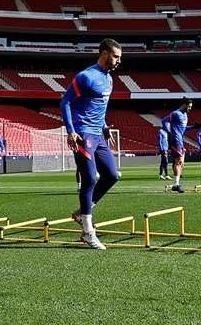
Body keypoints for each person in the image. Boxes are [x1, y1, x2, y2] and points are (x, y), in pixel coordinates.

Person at [62, 38, 123, 250]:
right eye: (116, 56)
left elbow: (98, 108)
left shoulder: (109, 79)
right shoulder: (86, 76)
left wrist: (105, 127)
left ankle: (82, 211)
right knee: (89, 178)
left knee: (112, 175)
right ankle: (88, 232)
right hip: (82, 133)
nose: (118, 61)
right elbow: (66, 102)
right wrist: (70, 131)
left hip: (98, 135)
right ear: (104, 53)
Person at [166, 97, 195, 193]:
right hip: (175, 140)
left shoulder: (185, 115)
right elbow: (164, 121)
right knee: (178, 162)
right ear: (184, 105)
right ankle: (176, 185)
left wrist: (194, 127)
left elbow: (183, 128)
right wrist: (170, 132)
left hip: (180, 140)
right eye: (189, 106)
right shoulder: (175, 114)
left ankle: (176, 184)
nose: (190, 108)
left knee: (181, 163)